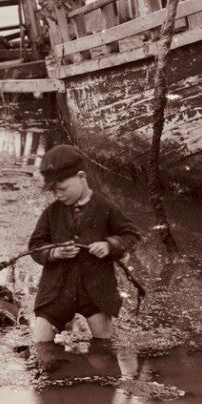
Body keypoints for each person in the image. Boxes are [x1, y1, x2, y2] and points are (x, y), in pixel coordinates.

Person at [28, 144, 141, 344]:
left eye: (62, 189)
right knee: (40, 344)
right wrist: (54, 252)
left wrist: (109, 245)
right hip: (57, 290)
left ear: (81, 177)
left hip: (95, 290)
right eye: (54, 191)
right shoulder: (52, 212)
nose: (59, 195)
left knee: (104, 347)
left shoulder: (106, 207)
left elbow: (131, 236)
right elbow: (35, 246)